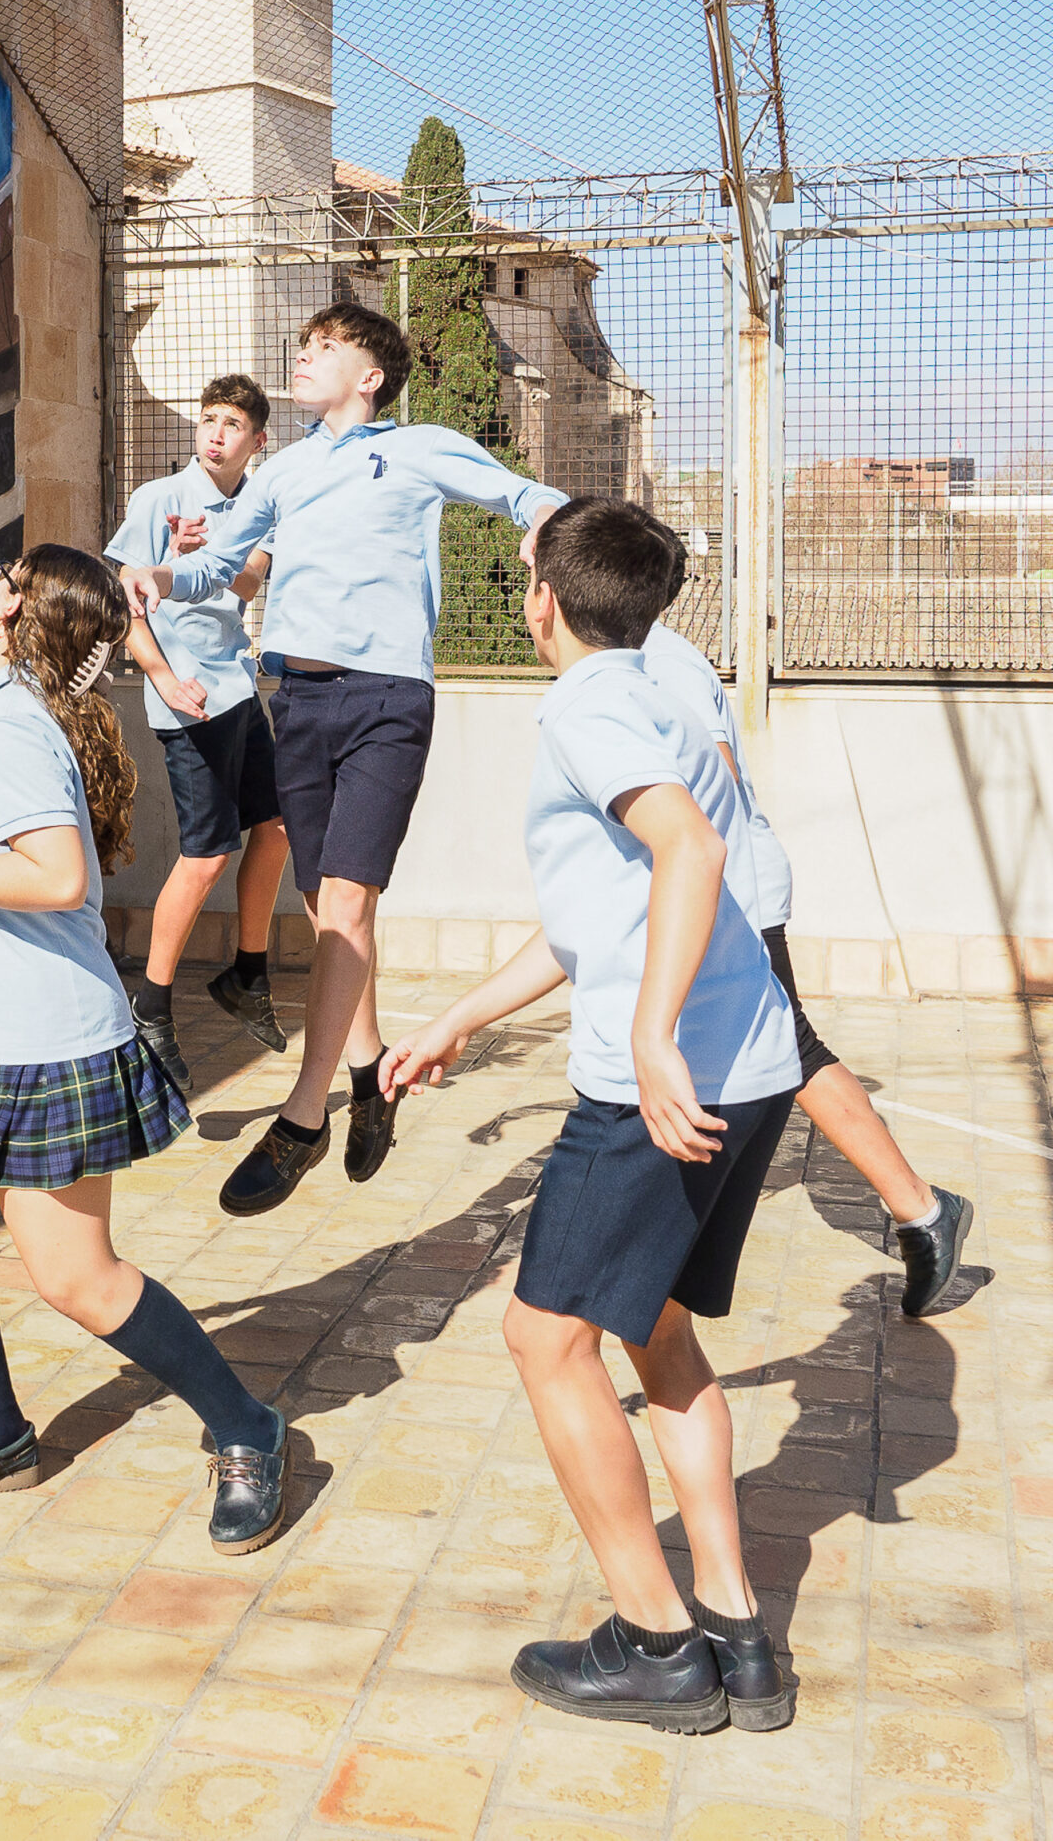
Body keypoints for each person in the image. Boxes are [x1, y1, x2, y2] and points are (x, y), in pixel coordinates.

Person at [384, 499, 799, 1736]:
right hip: (755, 1059)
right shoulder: (670, 688)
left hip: (662, 1085)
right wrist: (463, 1013)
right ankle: (734, 1627)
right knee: (654, 1328)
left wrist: (650, 1034)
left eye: (523, 574)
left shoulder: (582, 703)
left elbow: (687, 855)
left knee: (542, 1338)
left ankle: (657, 1643)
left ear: (544, 604)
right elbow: (605, 912)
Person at [0, 545, 290, 1553]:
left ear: (24, 618)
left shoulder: (11, 731)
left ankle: (249, 1428)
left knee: (74, 1278)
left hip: (43, 1048)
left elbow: (60, 878)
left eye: (5, 581)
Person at [122, 302, 568, 1216]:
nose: (304, 355)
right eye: (303, 344)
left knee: (349, 905)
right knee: (333, 909)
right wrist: (161, 577)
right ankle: (366, 1078)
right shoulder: (280, 469)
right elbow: (226, 565)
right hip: (301, 701)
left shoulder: (415, 448)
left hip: (386, 701)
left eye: (326, 348)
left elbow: (524, 494)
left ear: (370, 376)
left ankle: (301, 1121)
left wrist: (545, 528)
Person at [637, 617, 971, 1315]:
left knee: (789, 1046)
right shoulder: (632, 656)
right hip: (700, 893)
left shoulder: (660, 658)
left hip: (730, 896)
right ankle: (921, 1209)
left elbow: (715, 777)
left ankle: (921, 1207)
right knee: (759, 1049)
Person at [101, 373, 292, 1086]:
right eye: (208, 419)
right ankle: (150, 1005)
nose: (215, 433)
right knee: (207, 855)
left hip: (237, 688)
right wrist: (161, 678)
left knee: (274, 829)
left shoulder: (261, 504)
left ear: (257, 441)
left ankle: (246, 974)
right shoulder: (159, 499)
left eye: (232, 424)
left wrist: (205, 556)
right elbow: (125, 603)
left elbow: (248, 583)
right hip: (187, 698)